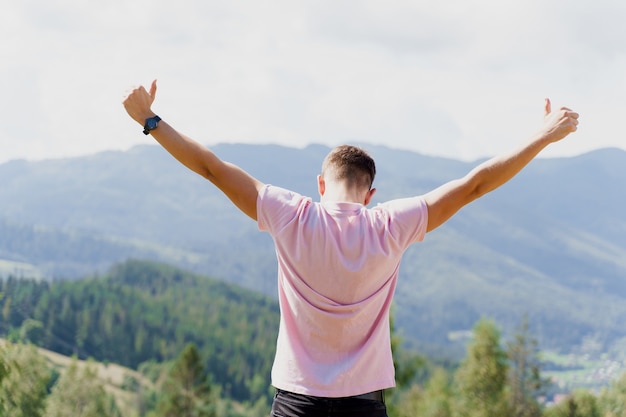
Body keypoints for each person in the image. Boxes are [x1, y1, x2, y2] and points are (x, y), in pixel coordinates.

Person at [122, 80, 579, 417]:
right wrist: (543, 135)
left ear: (321, 184)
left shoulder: (291, 214)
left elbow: (211, 169)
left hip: (296, 403)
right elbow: (475, 185)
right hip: (363, 406)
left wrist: (150, 120)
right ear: (370, 193)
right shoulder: (391, 225)